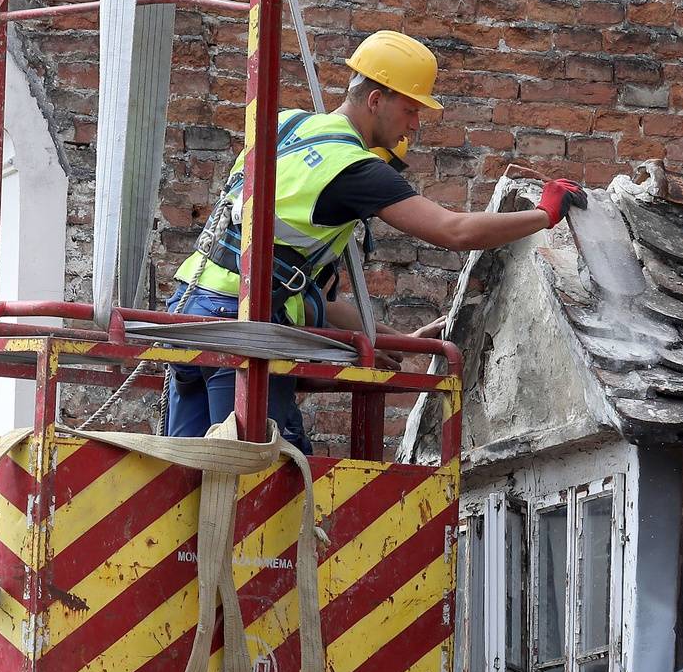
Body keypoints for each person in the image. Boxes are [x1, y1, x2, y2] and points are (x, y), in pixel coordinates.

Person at [164, 30, 587, 449]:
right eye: (410, 109)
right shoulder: (353, 168)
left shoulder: (282, 125)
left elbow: (308, 296)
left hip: (189, 313)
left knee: (186, 478)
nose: (415, 124)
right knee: (266, 482)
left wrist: (383, 336)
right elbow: (454, 231)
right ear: (375, 99)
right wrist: (545, 213)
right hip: (243, 330)